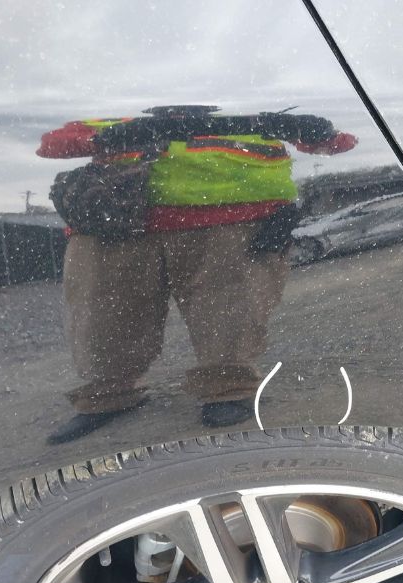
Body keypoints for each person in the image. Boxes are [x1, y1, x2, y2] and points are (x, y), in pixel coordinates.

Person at [38, 105, 356, 441]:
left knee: (229, 310)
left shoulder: (253, 116)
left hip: (233, 221)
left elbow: (338, 144)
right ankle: (107, 394)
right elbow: (53, 144)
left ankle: (227, 388)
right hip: (118, 224)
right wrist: (105, 137)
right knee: (104, 315)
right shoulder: (118, 118)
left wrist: (308, 127)